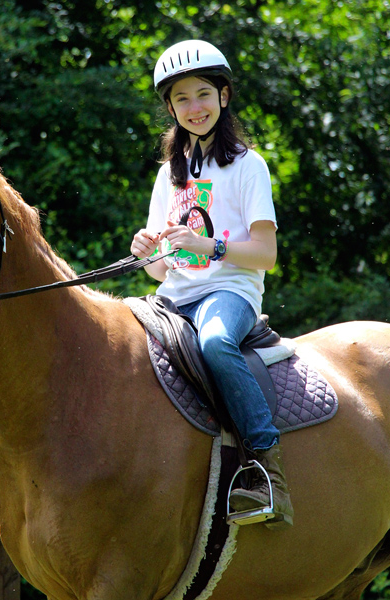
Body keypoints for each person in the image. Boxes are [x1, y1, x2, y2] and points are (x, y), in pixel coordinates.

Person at [131, 40, 293, 528]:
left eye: (203, 94)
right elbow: (163, 269)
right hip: (171, 298)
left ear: (223, 97)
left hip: (230, 295)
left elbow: (267, 254)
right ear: (171, 108)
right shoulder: (169, 176)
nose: (194, 107)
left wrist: (210, 247)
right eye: (182, 99)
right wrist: (146, 253)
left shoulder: (248, 166)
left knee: (217, 343)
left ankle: (266, 468)